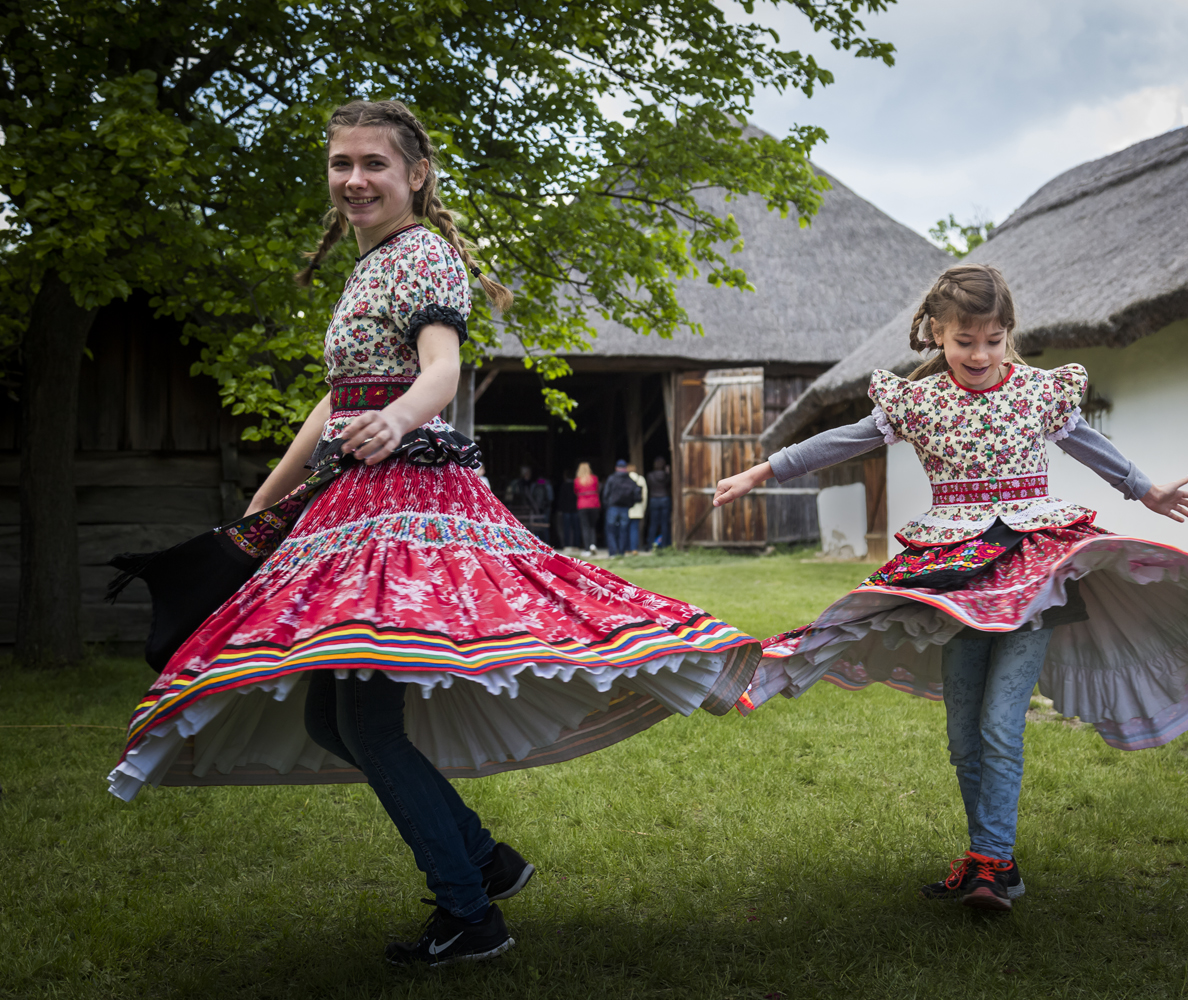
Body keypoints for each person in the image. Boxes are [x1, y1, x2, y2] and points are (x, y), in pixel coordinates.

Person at [108, 100, 762, 967]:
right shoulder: (368, 268)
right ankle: (485, 861)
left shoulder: (422, 254)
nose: (354, 180)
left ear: (415, 174)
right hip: (350, 501)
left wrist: (398, 418)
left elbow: (442, 368)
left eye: (373, 163)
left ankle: (470, 913)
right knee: (334, 719)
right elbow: (334, 402)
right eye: (341, 163)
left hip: (402, 503)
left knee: (365, 723)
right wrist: (261, 509)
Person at [714, 263, 1188, 913]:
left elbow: (1089, 445)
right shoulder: (918, 402)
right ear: (937, 334)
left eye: (993, 340)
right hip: (955, 575)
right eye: (964, 341)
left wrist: (1147, 490)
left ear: (1009, 334)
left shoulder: (1038, 393)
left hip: (1035, 572)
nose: (980, 355)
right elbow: (842, 441)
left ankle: (991, 862)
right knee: (963, 735)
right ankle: (991, 862)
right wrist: (761, 471)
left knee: (1001, 724)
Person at [503, 463, 553, 544]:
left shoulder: (517, 482)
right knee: (541, 526)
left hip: (523, 511)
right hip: (531, 510)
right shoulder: (531, 483)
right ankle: (543, 542)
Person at [600, 459, 641, 557]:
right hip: (625, 509)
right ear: (626, 468)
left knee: (610, 530)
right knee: (624, 530)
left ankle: (613, 552)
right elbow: (637, 494)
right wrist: (630, 504)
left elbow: (605, 494)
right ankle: (621, 552)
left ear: (616, 468)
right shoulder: (630, 480)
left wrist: (607, 505)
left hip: (612, 508)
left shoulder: (611, 479)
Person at [574, 461, 600, 554]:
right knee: (592, 526)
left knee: (585, 527)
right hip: (594, 504)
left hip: (582, 505)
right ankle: (592, 545)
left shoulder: (577, 480)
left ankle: (587, 549)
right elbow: (597, 489)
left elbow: (576, 491)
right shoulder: (594, 478)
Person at [646, 456, 672, 549]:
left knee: (653, 524)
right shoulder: (666, 475)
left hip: (654, 499)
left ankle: (650, 545)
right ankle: (664, 545)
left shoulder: (650, 475)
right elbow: (669, 484)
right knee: (664, 524)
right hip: (665, 498)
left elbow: (649, 486)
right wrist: (668, 472)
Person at [625, 463, 648, 553]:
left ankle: (626, 548)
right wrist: (643, 508)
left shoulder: (625, 479)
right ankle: (634, 548)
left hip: (626, 507)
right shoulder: (640, 479)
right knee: (634, 529)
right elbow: (644, 495)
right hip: (637, 507)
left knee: (625, 529)